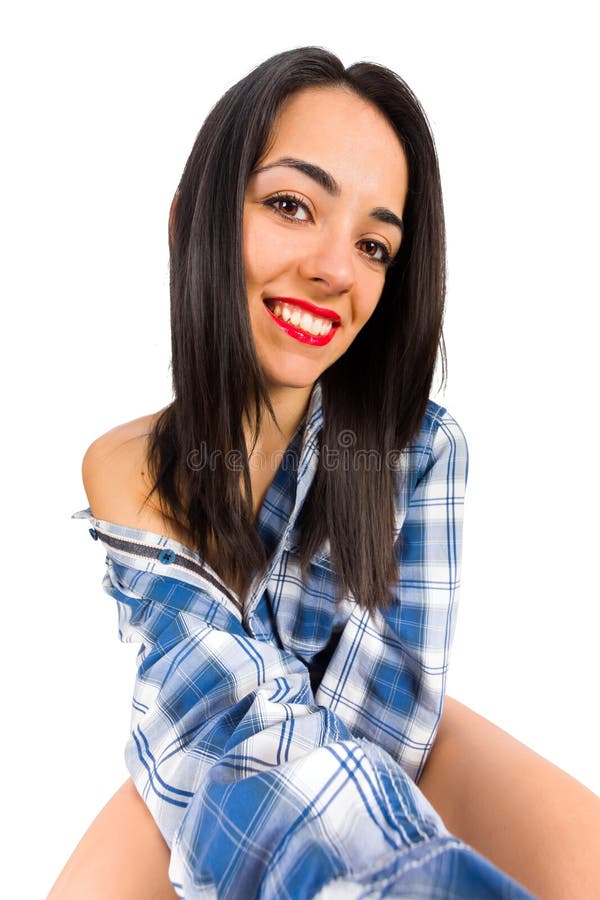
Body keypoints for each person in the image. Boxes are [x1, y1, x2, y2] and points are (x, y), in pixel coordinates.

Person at [48, 47, 600, 899]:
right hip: (215, 754)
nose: (338, 271)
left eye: (375, 245)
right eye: (291, 205)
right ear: (191, 217)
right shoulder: (130, 467)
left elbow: (386, 722)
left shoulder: (420, 448)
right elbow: (223, 723)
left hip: (387, 745)